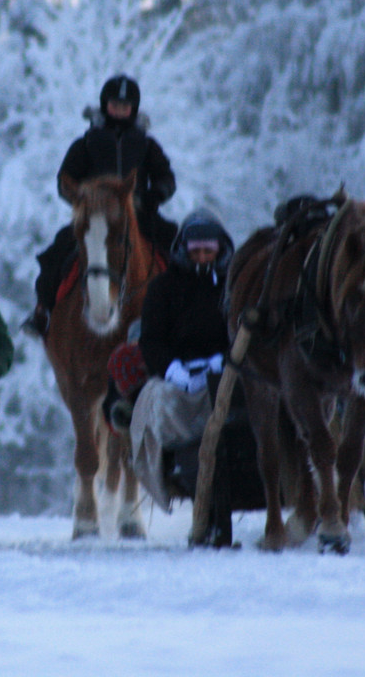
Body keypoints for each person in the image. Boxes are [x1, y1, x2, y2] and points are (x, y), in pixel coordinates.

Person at [22, 74, 178, 337]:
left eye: (125, 106)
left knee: (176, 247)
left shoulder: (147, 145)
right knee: (56, 253)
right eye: (114, 105)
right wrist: (81, 199)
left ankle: (181, 310)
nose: (119, 110)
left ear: (134, 109)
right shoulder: (86, 143)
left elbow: (167, 178)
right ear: (105, 105)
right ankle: (43, 311)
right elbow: (65, 180)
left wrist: (153, 196)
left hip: (139, 215)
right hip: (95, 219)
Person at [118, 209, 235, 511]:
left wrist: (225, 361)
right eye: (196, 249)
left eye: (209, 249)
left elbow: (245, 331)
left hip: (229, 370)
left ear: (220, 248)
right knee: (161, 402)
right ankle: (180, 462)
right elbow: (151, 339)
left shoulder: (234, 286)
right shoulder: (162, 288)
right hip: (177, 373)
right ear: (184, 249)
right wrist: (173, 370)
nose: (202, 255)